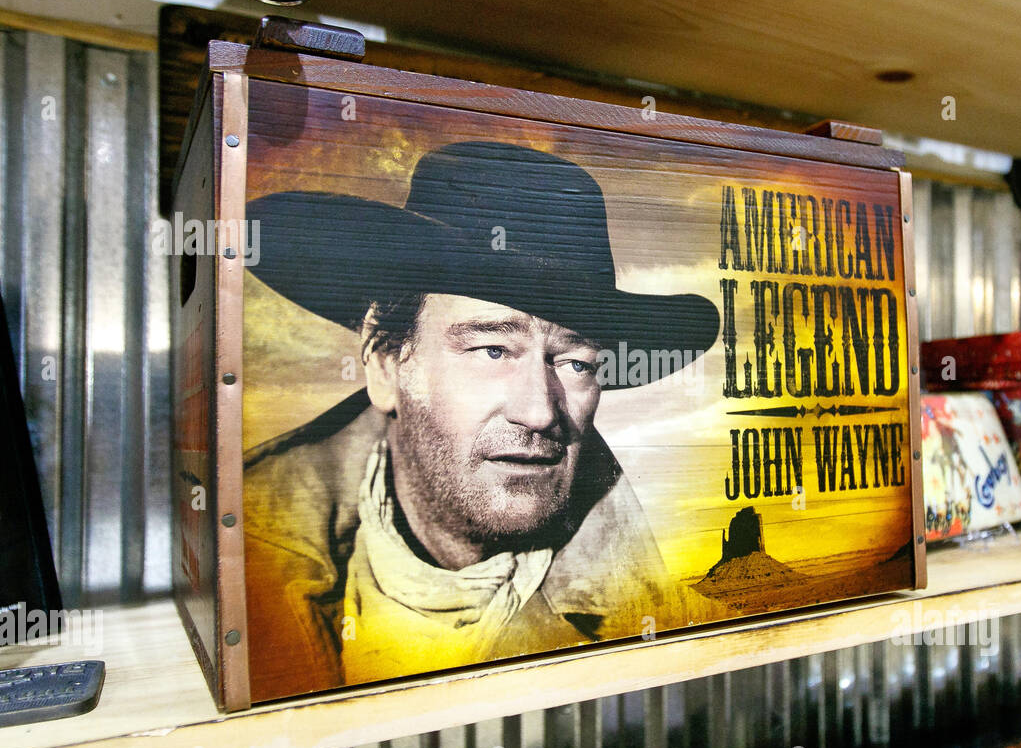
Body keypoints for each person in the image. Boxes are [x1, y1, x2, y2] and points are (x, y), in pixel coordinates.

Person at [240, 141, 724, 701]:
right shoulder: (257, 573)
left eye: (576, 363)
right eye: (492, 350)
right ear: (384, 364)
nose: (540, 411)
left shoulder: (675, 634)